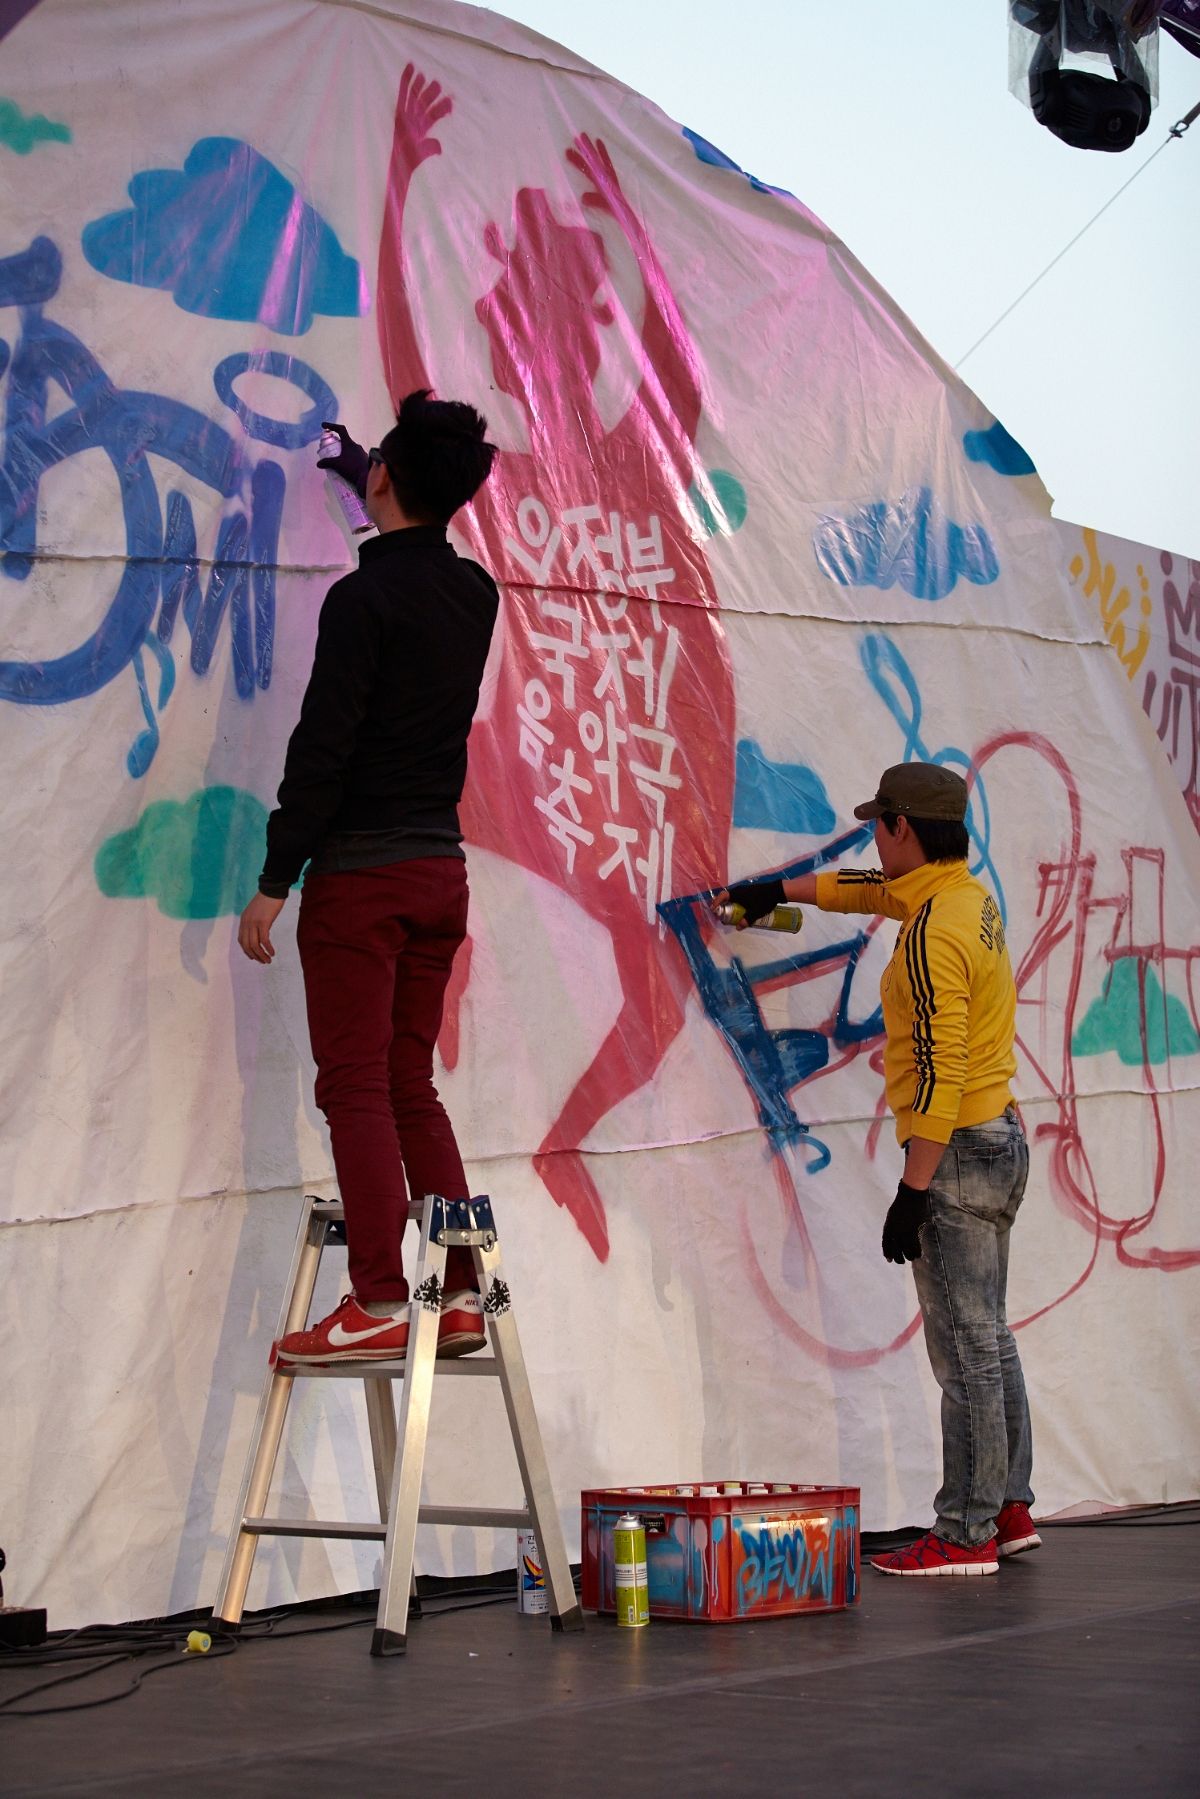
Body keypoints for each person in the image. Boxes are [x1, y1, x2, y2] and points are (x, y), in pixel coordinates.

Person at [720, 762, 1040, 1577]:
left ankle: (965, 1532)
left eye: (878, 824)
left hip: (955, 1148)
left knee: (965, 1350)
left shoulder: (933, 935)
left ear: (902, 827)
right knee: (989, 1335)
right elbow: (870, 890)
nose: (871, 837)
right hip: (997, 1136)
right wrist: (777, 890)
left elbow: (939, 1071)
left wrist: (913, 1189)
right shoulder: (960, 895)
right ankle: (1007, 1506)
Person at [238, 390, 498, 1367]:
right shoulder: (475, 593)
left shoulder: (362, 602)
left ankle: (382, 1295)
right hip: (438, 872)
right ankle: (462, 1292)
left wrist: (276, 875)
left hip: (361, 881)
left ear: (386, 476)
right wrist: (370, 477)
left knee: (354, 1085)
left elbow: (324, 749)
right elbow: (412, 562)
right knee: (407, 1082)